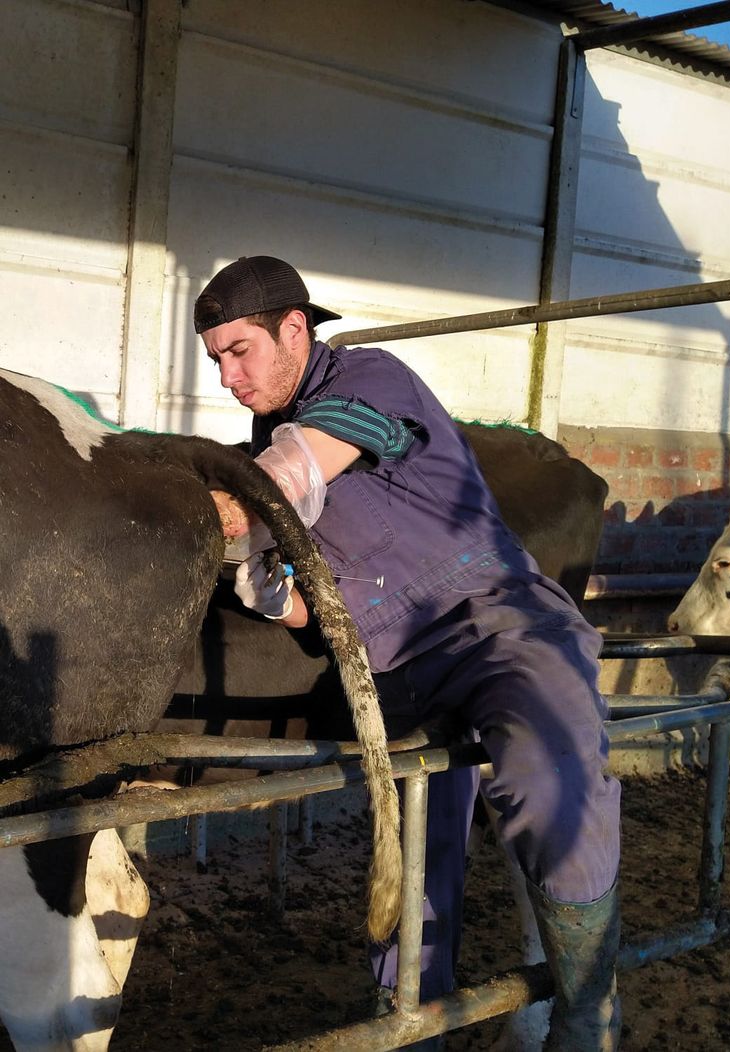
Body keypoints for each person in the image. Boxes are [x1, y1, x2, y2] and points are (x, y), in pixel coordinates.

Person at [194, 255, 622, 1051]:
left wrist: (219, 514)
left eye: (239, 351)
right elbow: (313, 614)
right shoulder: (271, 440)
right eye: (215, 358)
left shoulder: (367, 380)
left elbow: (296, 469)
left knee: (548, 772)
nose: (227, 376)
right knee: (411, 858)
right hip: (395, 669)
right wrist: (268, 594)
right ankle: (416, 1028)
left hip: (497, 623)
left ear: (295, 330)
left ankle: (588, 1005)